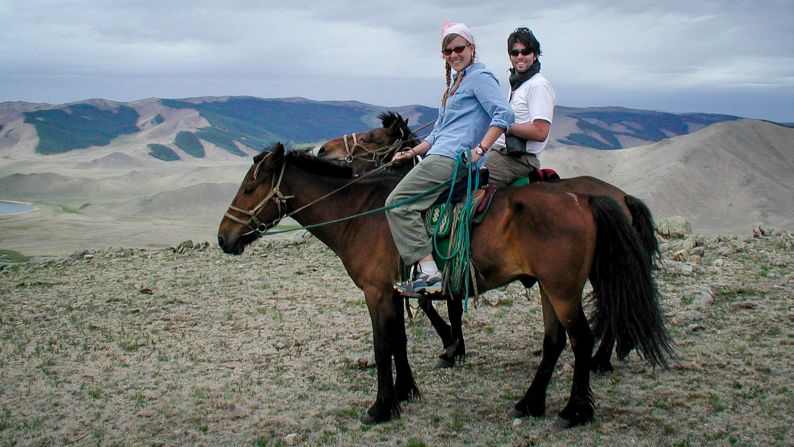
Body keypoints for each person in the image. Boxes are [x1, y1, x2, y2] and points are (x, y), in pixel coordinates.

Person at [386, 21, 514, 294]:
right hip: (440, 154)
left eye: (459, 48)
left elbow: (504, 115)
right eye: (448, 51)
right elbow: (436, 134)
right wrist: (411, 152)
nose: (454, 55)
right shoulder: (457, 82)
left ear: (472, 48)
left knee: (397, 203)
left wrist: (479, 150)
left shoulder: (480, 77)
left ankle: (429, 273)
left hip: (452, 159)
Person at [486, 27, 556, 187]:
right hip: (501, 152)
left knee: (464, 179)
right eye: (515, 52)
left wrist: (504, 126)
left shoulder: (538, 85)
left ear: (535, 54)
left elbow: (540, 132)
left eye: (525, 52)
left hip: (519, 160)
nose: (520, 56)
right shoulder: (517, 84)